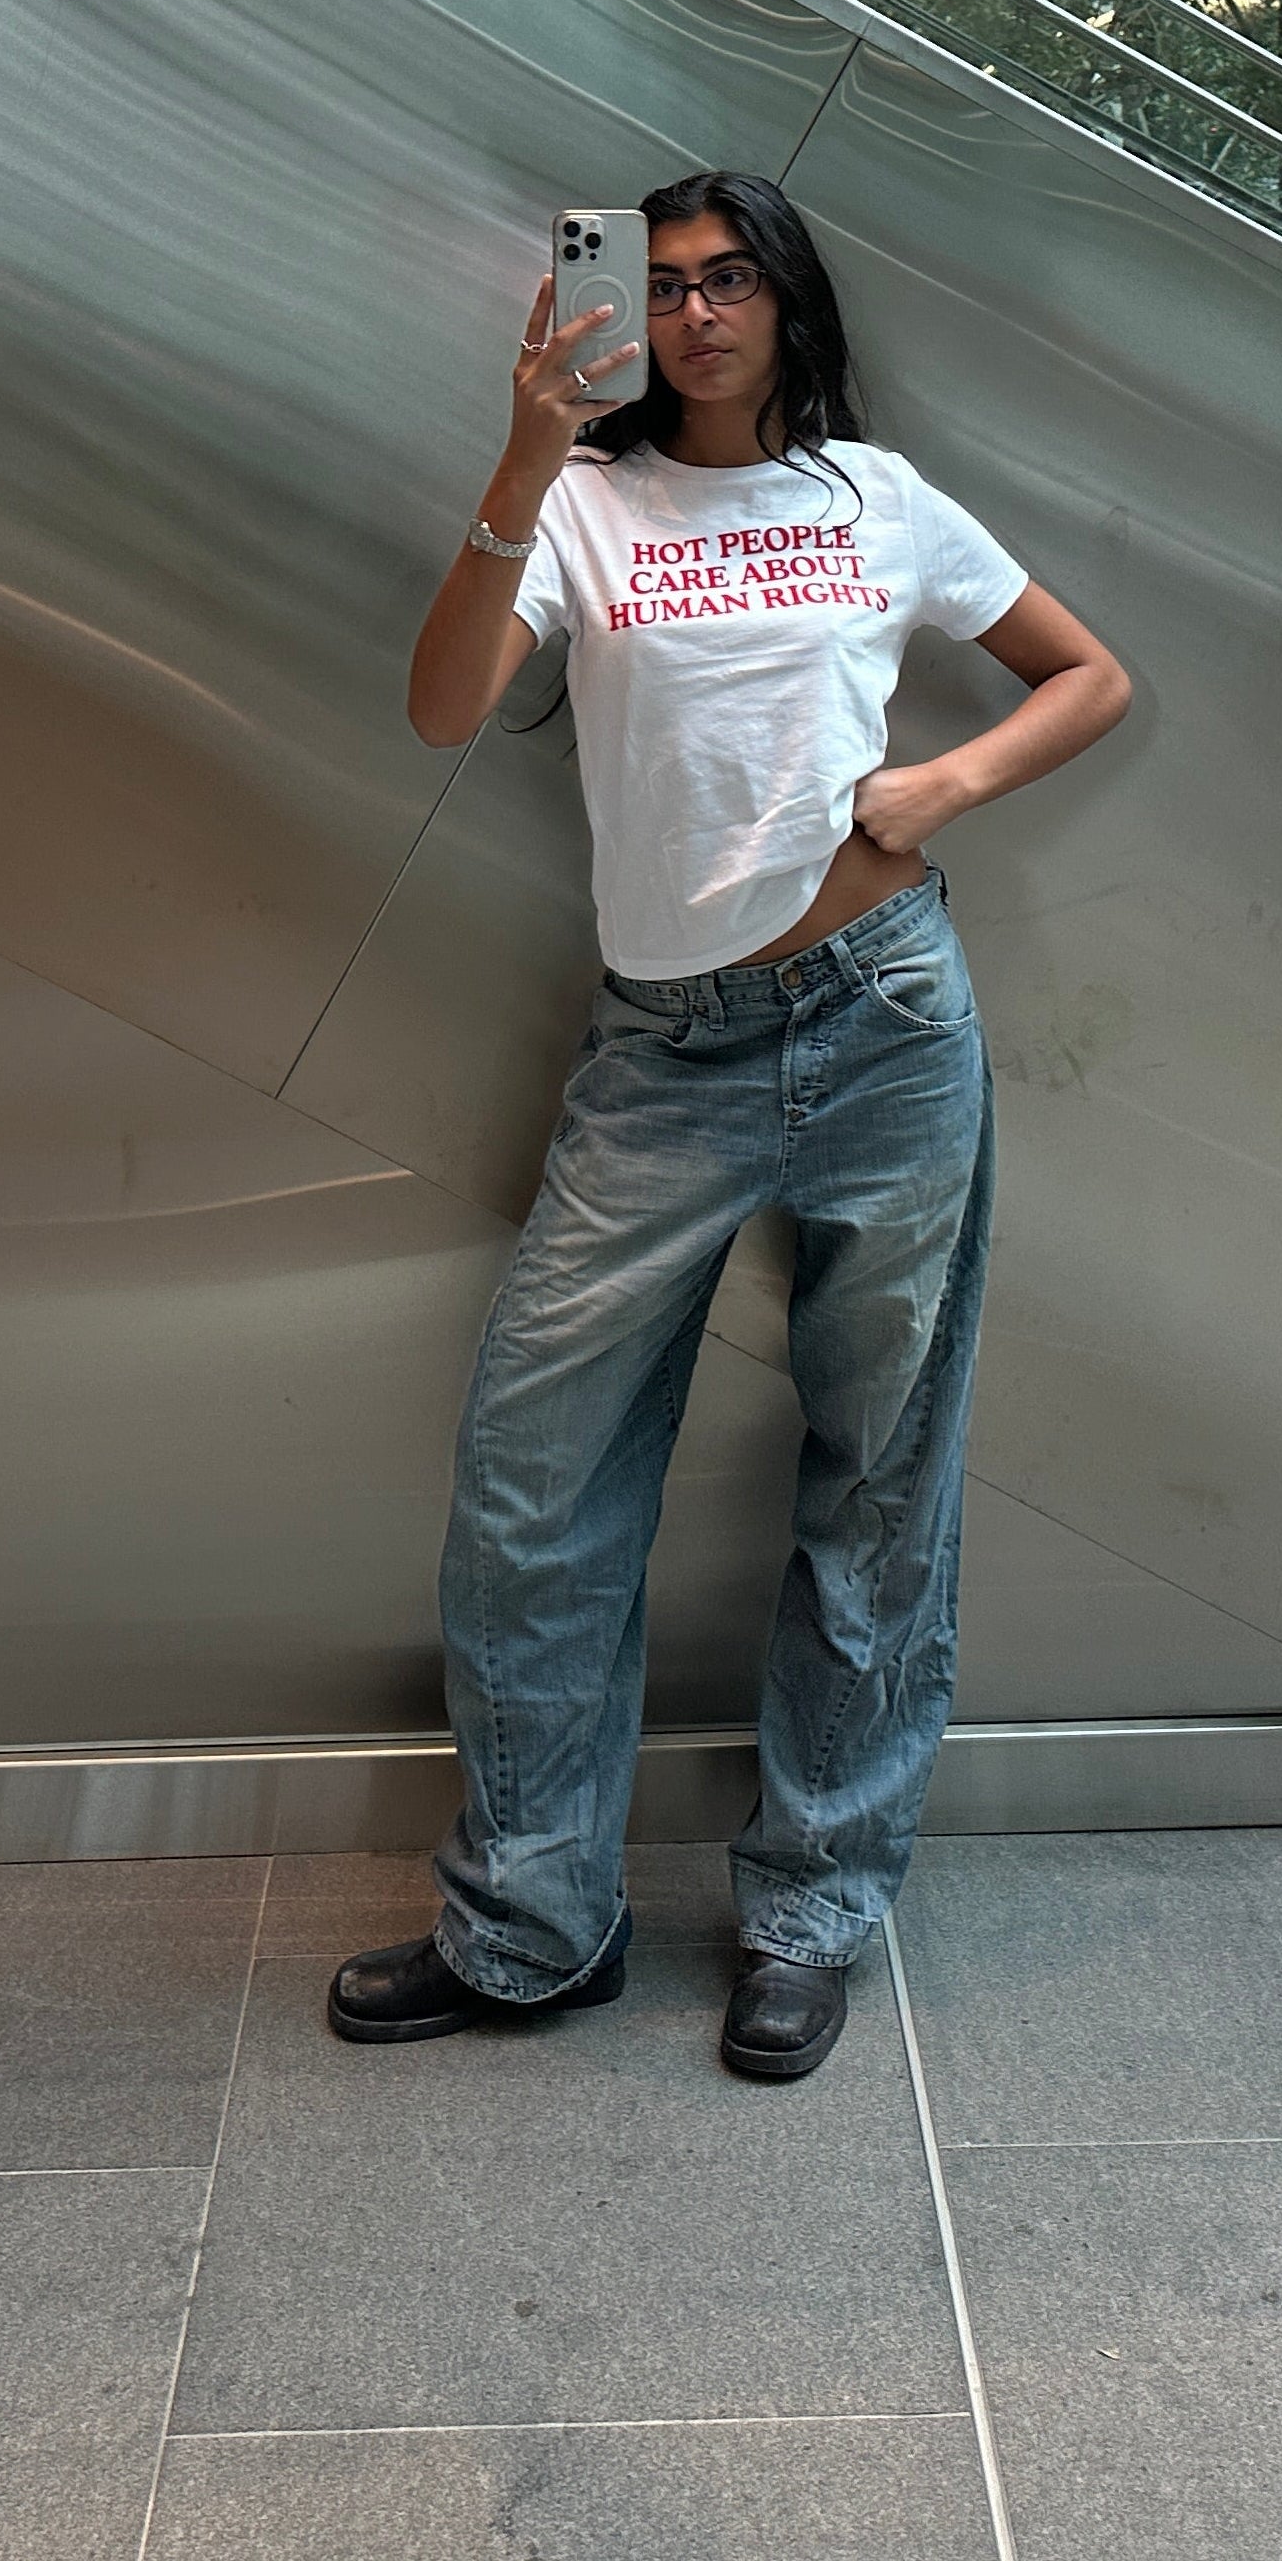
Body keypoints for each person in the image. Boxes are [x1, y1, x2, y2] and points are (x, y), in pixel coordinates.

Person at [328, 171, 1130, 2081]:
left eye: (727, 281)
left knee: (877, 1483)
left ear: (786, 304)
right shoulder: (587, 505)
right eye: (663, 285)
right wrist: (520, 456)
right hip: (660, 1061)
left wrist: (938, 786)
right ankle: (533, 1926)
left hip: (882, 1021)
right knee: (537, 1488)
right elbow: (445, 709)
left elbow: (1089, 675)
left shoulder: (878, 498)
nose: (692, 313)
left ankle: (813, 1910)